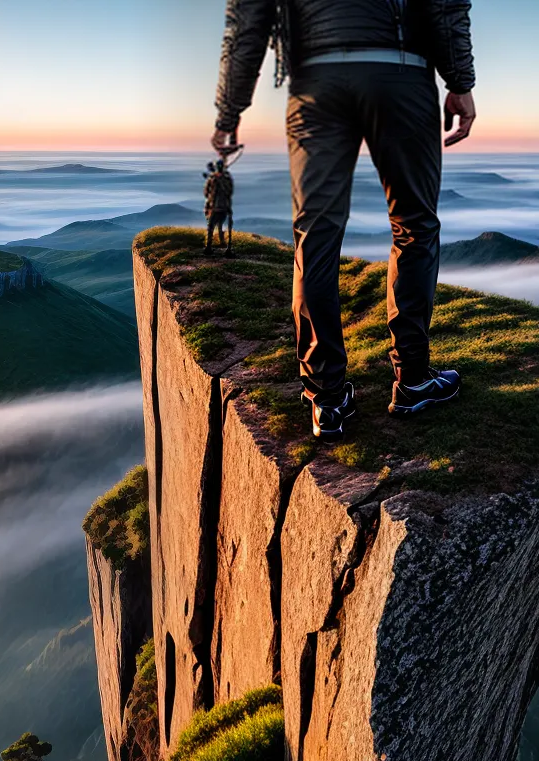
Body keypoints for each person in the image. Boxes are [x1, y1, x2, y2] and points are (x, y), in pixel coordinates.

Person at [211, 0, 476, 439]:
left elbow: (247, 23)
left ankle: (326, 400)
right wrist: (460, 81)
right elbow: (445, 5)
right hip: (401, 74)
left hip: (316, 81)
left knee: (315, 236)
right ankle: (412, 379)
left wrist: (229, 109)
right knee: (414, 226)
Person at [203, 158, 235, 255]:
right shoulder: (227, 178)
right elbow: (230, 192)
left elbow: (206, 192)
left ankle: (209, 247)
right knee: (223, 225)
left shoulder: (212, 178)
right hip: (225, 206)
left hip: (214, 206)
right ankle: (227, 248)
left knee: (211, 226)